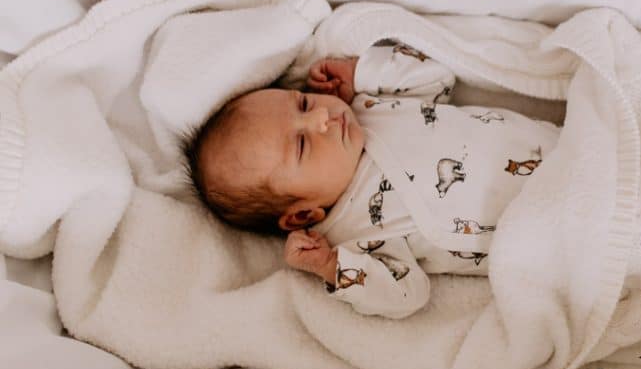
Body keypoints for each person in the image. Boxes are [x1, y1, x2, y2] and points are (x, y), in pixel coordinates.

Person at [184, 41, 560, 318]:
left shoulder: (371, 107)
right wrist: (332, 267)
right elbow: (407, 295)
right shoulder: (355, 237)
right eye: (301, 145)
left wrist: (360, 73)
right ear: (301, 215)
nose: (321, 119)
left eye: (302, 103)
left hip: (561, 145)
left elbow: (438, 78)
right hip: (550, 230)